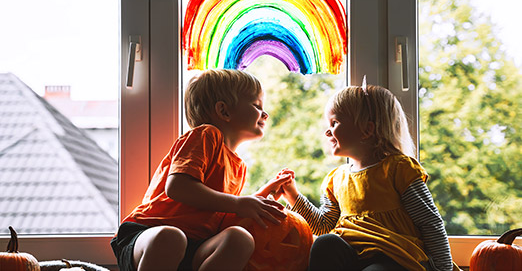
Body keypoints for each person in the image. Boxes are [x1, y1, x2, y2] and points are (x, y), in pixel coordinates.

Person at [110, 69, 292, 271]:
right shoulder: (206, 135)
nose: (264, 113)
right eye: (257, 106)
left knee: (240, 239)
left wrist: (259, 198)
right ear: (224, 111)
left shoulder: (238, 166)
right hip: (148, 235)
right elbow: (177, 187)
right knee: (171, 237)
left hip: (195, 246)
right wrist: (239, 203)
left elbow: (224, 214)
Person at [275, 82, 455, 270]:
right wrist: (293, 196)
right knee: (325, 243)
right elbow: (323, 226)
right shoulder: (336, 179)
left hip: (395, 258)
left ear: (366, 130)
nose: (327, 132)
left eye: (334, 123)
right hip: (354, 257)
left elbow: (430, 222)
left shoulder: (398, 169)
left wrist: (443, 268)